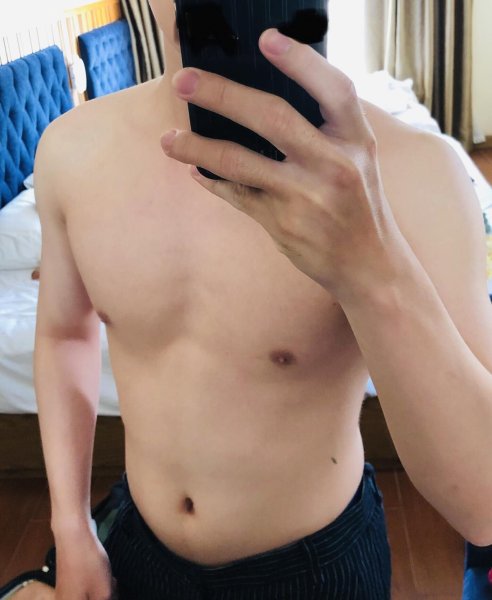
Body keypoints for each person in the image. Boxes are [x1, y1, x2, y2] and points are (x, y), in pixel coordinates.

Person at [32, 0, 492, 598]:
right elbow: (63, 333)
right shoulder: (72, 150)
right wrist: (71, 525)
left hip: (316, 570)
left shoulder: (415, 172)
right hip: (138, 548)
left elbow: (483, 501)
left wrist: (373, 268)